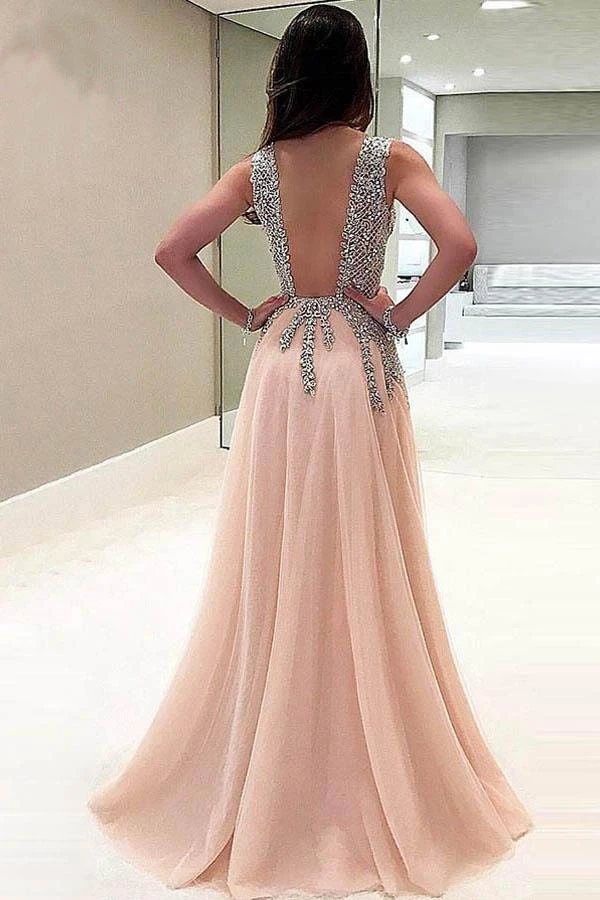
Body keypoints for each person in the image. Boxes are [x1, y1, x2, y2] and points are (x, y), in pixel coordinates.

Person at [87, 5, 533, 897]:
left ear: (285, 71)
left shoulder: (259, 169)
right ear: (357, 74)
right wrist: (398, 314)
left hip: (284, 365)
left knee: (280, 547)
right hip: (359, 368)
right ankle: (360, 740)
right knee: (363, 547)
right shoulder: (389, 160)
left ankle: (276, 737)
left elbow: (173, 250)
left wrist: (247, 312)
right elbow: (461, 244)